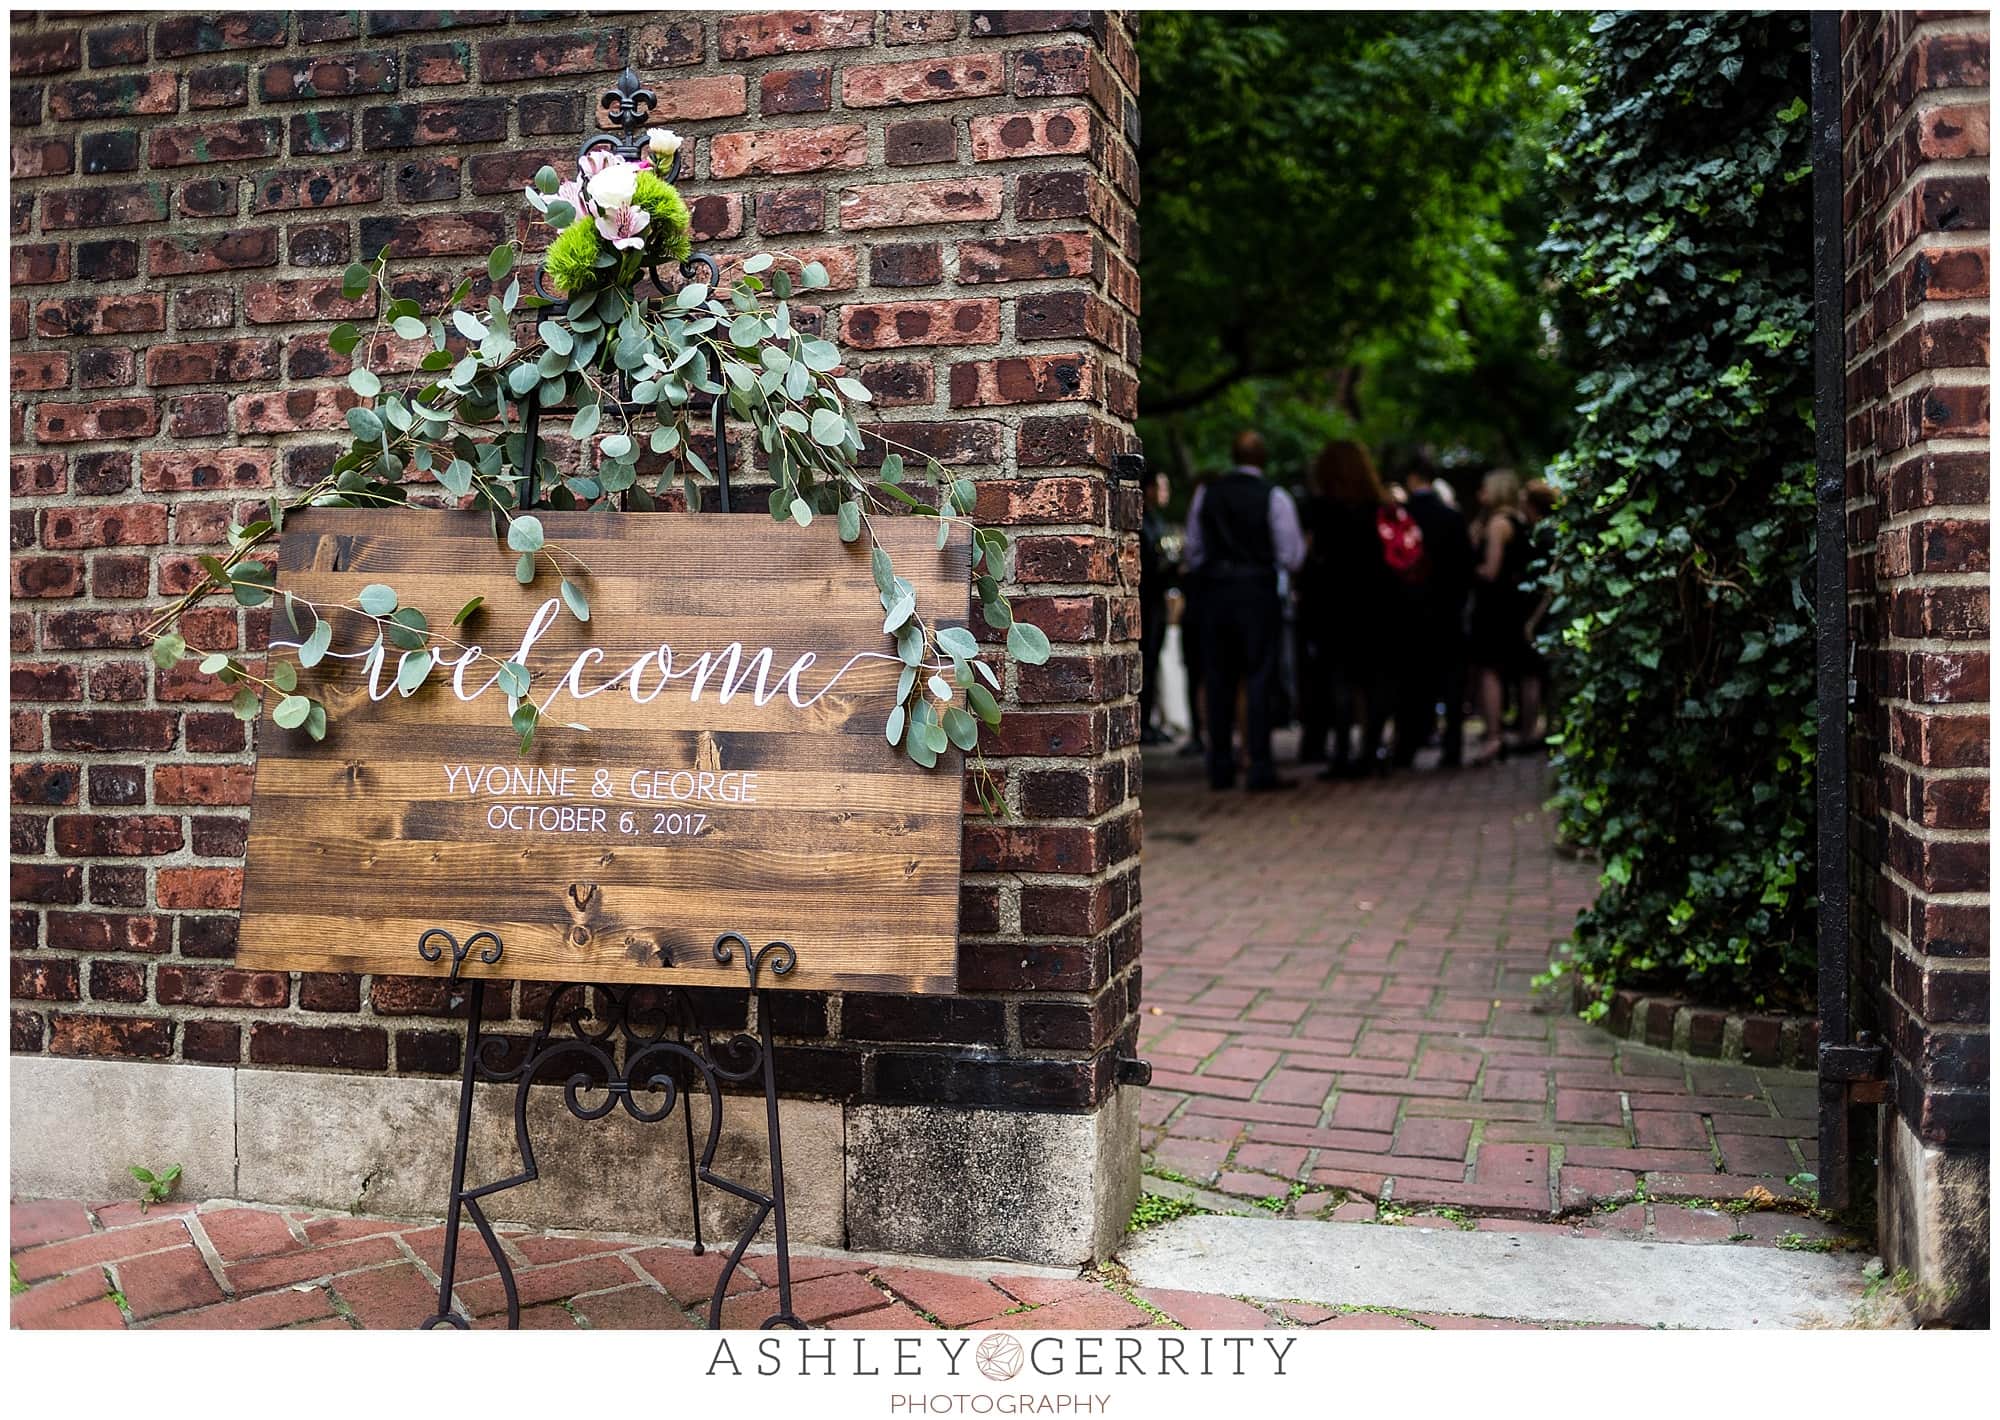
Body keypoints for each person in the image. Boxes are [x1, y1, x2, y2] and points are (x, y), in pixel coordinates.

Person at [1183, 431, 1305, 791]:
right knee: (1259, 677)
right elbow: (1291, 554)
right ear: (1262, 459)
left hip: (1215, 593)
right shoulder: (1274, 496)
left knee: (1217, 678)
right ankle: (1259, 765)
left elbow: (1193, 550)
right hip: (1257, 593)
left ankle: (1219, 766)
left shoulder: (1208, 494)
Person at [1298, 441, 1402, 779]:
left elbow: (1310, 558)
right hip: (1378, 604)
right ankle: (1371, 748)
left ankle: (1343, 752)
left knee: (1340, 679)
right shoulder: (1380, 506)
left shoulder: (1322, 508)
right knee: (1376, 680)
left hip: (1335, 605)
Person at [1394, 453, 1473, 768]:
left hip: (1410, 611)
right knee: (1452, 681)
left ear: (1413, 478)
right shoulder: (1451, 517)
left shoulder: (1403, 516)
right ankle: (1452, 746)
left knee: (1411, 682)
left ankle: (1407, 747)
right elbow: (1465, 566)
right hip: (1447, 610)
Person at [1467, 468, 1538, 767]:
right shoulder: (1522, 522)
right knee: (1526, 670)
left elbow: (1490, 570)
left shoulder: (1497, 524)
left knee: (1490, 671)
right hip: (1519, 604)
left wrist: (1470, 567)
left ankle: (1494, 736)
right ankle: (1528, 732)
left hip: (1494, 606)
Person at [1138, 471, 1170, 746]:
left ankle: (1148, 721)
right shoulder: (1142, 521)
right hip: (1145, 600)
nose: (1165, 493)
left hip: (1156, 600)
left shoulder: (1155, 520)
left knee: (1153, 661)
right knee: (1145, 661)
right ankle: (1143, 723)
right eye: (1161, 487)